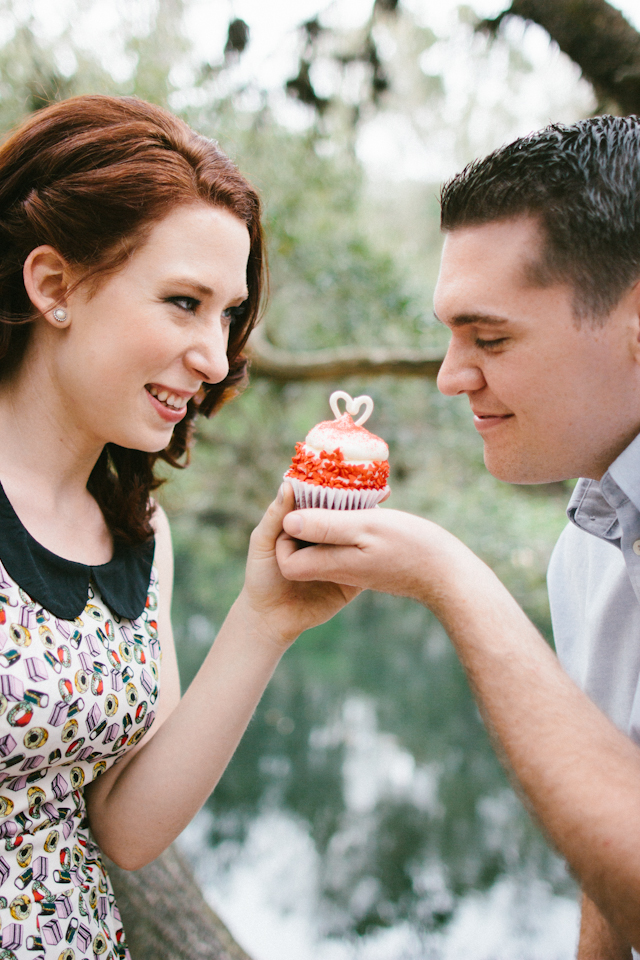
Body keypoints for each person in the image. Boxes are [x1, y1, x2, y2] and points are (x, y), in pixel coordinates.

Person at [0, 94, 356, 960]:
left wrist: (267, 616)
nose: (216, 355)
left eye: (229, 314)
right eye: (184, 302)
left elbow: (125, 828)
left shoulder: (134, 527)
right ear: (54, 285)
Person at [277, 115, 640, 960]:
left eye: (490, 337)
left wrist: (454, 578)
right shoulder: (589, 545)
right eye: (449, 336)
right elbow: (609, 840)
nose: (450, 377)